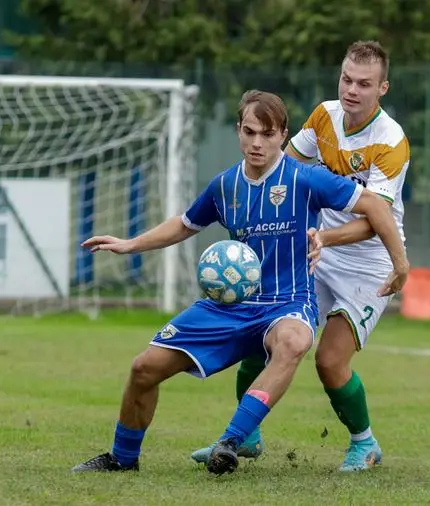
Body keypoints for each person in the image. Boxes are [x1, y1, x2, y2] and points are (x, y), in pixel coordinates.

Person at [71, 89, 409, 475]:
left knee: (296, 341)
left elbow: (374, 206)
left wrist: (399, 264)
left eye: (267, 134)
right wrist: (130, 244)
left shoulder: (305, 178)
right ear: (239, 131)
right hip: (233, 305)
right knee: (143, 368)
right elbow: (185, 223)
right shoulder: (225, 186)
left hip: (288, 302)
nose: (256, 143)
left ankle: (230, 441)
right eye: (249, 132)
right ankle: (122, 459)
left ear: (283, 134)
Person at [191, 40, 410, 472]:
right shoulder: (324, 116)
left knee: (330, 361)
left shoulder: (391, 141)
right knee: (263, 328)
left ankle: (364, 443)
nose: (351, 89)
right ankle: (245, 436)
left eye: (364, 83)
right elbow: (282, 170)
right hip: (317, 247)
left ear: (382, 87)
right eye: (347, 78)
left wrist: (341, 244)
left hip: (368, 260)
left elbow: (376, 215)